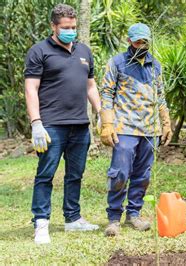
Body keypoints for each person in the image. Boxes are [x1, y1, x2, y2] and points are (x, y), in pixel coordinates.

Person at [24, 4, 101, 244]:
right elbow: (30, 88)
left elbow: (91, 86)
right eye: (66, 28)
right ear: (53, 26)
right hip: (51, 126)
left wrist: (101, 113)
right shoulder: (39, 51)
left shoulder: (84, 51)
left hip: (80, 125)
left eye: (74, 27)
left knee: (75, 174)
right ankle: (41, 223)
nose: (71, 31)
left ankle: (73, 219)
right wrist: (36, 123)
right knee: (45, 174)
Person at [100, 23, 172, 236]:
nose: (142, 45)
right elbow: (106, 93)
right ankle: (114, 217)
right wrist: (106, 124)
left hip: (150, 130)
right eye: (138, 41)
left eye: (145, 41)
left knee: (143, 174)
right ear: (129, 41)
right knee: (120, 173)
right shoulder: (116, 63)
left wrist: (166, 123)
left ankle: (134, 214)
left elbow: (160, 96)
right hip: (124, 128)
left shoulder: (155, 65)